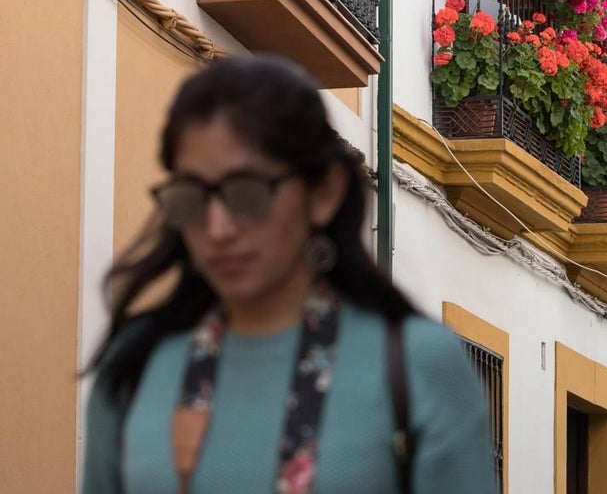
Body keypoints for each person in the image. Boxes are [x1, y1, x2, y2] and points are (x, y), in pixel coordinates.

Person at [82, 55, 496, 494]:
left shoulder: (418, 367)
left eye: (247, 194)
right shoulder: (134, 364)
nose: (217, 228)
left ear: (323, 192)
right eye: (192, 196)